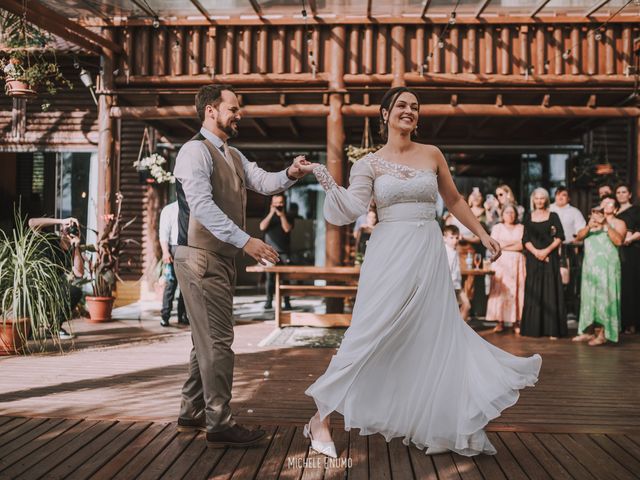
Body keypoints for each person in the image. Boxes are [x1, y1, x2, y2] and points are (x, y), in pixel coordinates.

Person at [303, 86, 541, 458]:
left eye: (414, 107)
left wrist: (481, 234)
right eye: (401, 105)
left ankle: (439, 424)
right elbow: (350, 207)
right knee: (368, 331)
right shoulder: (368, 163)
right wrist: (322, 173)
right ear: (385, 114)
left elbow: (454, 200)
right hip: (387, 253)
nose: (409, 111)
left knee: (434, 332)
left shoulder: (432, 154)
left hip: (427, 249)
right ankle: (321, 418)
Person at [172, 84, 315, 448]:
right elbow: (202, 206)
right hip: (200, 256)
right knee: (219, 340)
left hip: (218, 258)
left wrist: (292, 173)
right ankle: (219, 422)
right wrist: (247, 241)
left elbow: (265, 182)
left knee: (205, 339)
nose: (240, 114)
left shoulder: (232, 155)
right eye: (233, 108)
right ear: (210, 111)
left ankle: (192, 411)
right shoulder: (193, 152)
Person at [573, 197, 626, 346]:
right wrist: (589, 226)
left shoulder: (618, 223)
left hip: (608, 267)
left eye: (610, 203)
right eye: (604, 202)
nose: (606, 205)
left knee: (606, 298)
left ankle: (603, 333)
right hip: (591, 267)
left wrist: (605, 225)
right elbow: (578, 238)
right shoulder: (591, 222)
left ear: (615, 209)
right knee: (589, 298)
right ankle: (588, 331)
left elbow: (619, 241)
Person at [520, 188, 567, 339]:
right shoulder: (528, 216)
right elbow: (525, 239)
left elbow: (560, 236)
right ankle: (533, 329)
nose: (539, 201)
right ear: (533, 200)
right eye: (537, 198)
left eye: (542, 198)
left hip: (550, 257)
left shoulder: (553, 215)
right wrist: (536, 252)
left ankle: (553, 330)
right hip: (533, 259)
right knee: (534, 291)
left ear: (546, 200)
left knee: (550, 290)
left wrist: (545, 251)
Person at [28, 216, 84, 339]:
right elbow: (32, 222)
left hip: (54, 286)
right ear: (61, 228)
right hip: (34, 282)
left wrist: (77, 247)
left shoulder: (73, 249)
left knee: (74, 291)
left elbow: (79, 273)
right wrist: (61, 220)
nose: (70, 228)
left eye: (73, 227)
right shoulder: (50, 238)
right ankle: (28, 327)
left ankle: (54, 327)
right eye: (67, 226)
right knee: (27, 334)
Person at [485, 205, 526, 333]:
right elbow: (493, 245)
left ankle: (516, 321)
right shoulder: (497, 228)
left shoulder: (521, 228)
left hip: (517, 264)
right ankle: (499, 321)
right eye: (507, 212)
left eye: (512, 212)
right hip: (501, 263)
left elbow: (522, 245)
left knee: (517, 291)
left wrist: (503, 245)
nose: (510, 215)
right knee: (500, 290)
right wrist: (510, 244)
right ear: (502, 214)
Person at [550, 186, 586, 318]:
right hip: (550, 249)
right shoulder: (549, 209)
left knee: (568, 280)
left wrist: (576, 243)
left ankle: (568, 311)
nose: (560, 197)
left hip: (568, 249)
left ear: (568, 198)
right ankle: (552, 309)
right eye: (558, 194)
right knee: (552, 278)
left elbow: (581, 230)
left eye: (563, 195)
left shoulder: (574, 212)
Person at [259, 193, 294, 310]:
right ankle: (269, 301)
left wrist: (282, 215)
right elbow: (262, 227)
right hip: (269, 251)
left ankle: (287, 302)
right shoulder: (268, 214)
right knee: (269, 277)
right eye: (276, 203)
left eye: (280, 203)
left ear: (284, 204)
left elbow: (287, 229)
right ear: (272, 204)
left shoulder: (288, 215)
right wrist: (271, 213)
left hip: (284, 252)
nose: (278, 205)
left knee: (286, 277)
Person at [615, 183, 640, 334]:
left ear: (629, 194)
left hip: (632, 251)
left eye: (624, 192)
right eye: (618, 192)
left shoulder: (636, 210)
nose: (621, 194)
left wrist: (631, 239)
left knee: (631, 286)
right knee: (620, 286)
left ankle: (632, 323)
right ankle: (621, 322)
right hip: (616, 251)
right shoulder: (614, 211)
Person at [159, 200, 188, 327]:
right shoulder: (169, 209)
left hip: (188, 248)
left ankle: (183, 315)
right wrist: (165, 252)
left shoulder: (191, 207)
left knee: (186, 286)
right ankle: (165, 315)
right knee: (171, 284)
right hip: (173, 248)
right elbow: (163, 233)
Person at [443, 224, 471, 320]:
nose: (455, 240)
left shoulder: (455, 251)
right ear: (444, 238)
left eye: (457, 237)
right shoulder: (444, 251)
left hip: (457, 285)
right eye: (451, 237)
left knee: (466, 305)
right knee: (448, 310)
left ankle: (460, 329)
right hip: (448, 285)